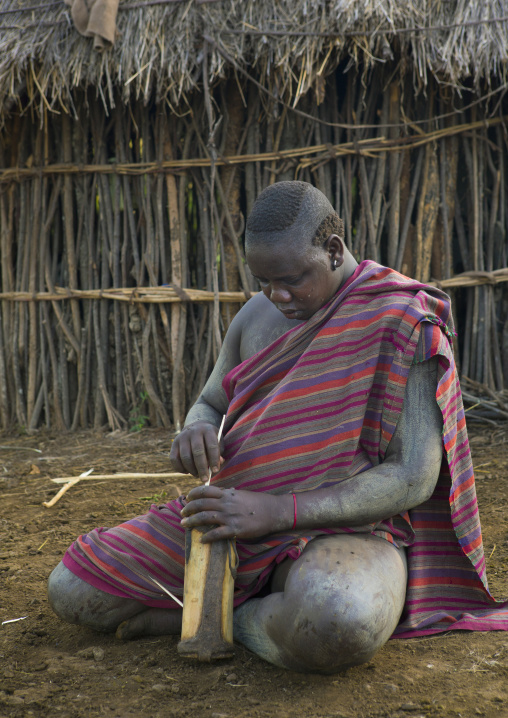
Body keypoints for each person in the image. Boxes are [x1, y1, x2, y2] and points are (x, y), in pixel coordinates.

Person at [48, 181, 508, 674]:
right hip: (232, 514)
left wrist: (277, 511)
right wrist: (197, 429)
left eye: (291, 279)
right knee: (74, 591)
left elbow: (414, 475)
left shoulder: (402, 319)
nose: (277, 295)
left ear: (333, 251)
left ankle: (230, 613)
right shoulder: (257, 315)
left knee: (340, 623)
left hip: (342, 526)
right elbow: (209, 401)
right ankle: (256, 605)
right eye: (264, 281)